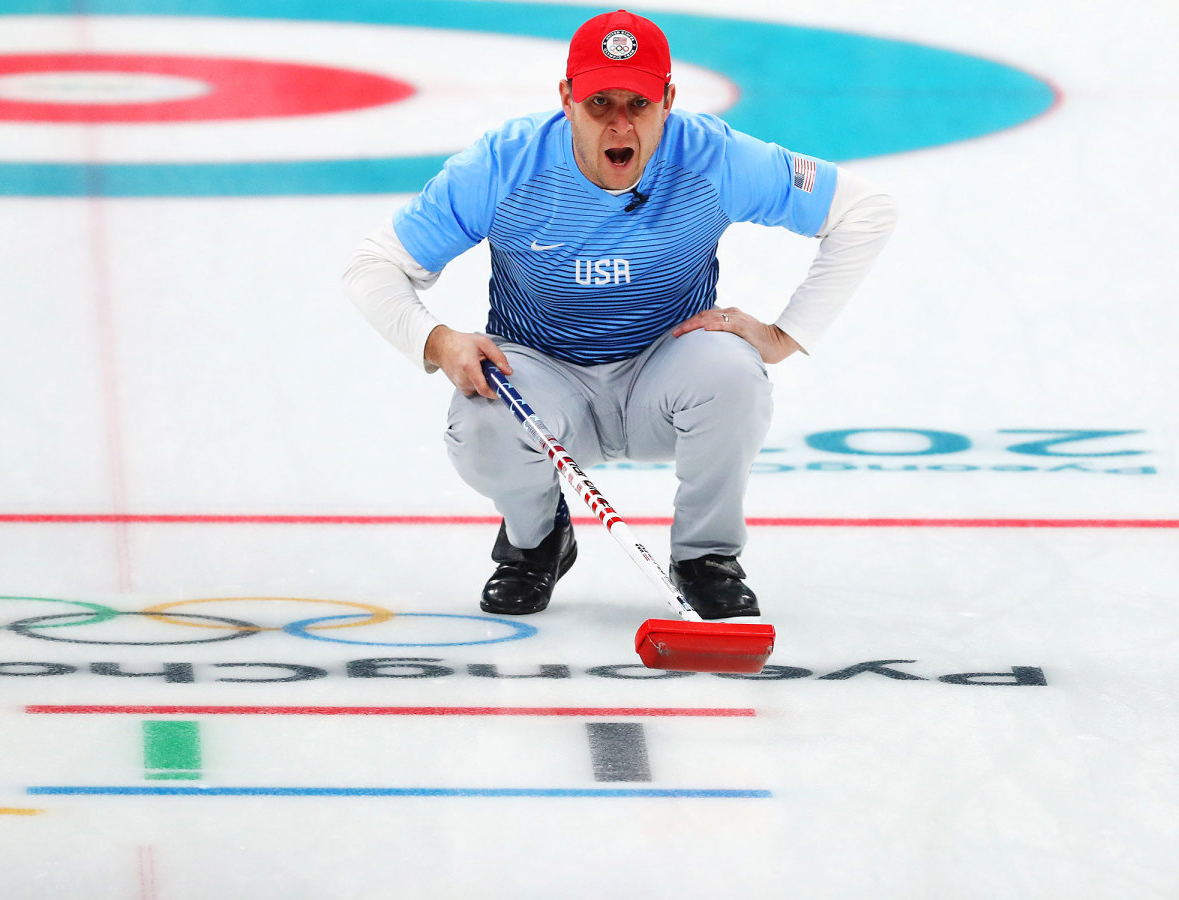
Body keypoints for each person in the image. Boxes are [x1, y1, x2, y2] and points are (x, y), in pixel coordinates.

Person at [343, 8, 896, 620]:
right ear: (566, 100)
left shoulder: (714, 157)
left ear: (669, 102)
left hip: (666, 372)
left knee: (734, 374)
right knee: (480, 424)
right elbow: (373, 265)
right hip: (542, 380)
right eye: (599, 102)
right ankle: (537, 540)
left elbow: (864, 209)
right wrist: (438, 340)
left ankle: (705, 557)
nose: (619, 123)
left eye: (639, 103)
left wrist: (784, 335)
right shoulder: (503, 165)